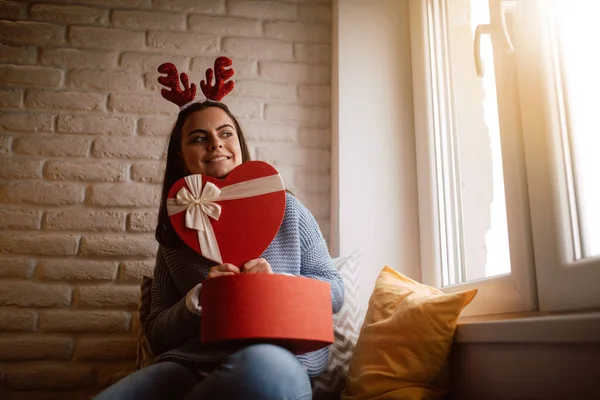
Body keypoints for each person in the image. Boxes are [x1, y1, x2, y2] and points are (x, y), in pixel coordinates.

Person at [93, 60, 344, 400]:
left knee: (263, 371)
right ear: (181, 157)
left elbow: (336, 292)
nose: (215, 144)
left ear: (238, 144)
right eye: (199, 138)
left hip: (277, 359)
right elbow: (157, 333)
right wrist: (198, 300)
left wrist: (275, 287)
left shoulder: (289, 211)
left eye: (225, 133)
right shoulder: (177, 234)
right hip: (189, 366)